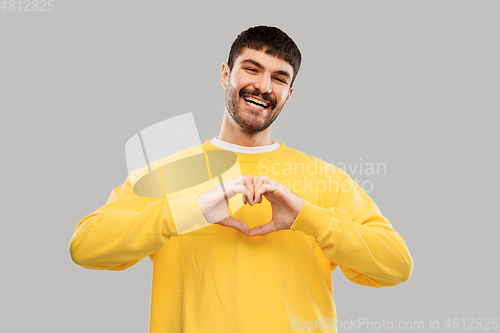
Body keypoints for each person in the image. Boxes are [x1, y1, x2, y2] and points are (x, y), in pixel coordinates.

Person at [70, 25, 413, 333]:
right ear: (225, 74)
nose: (263, 86)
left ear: (290, 94)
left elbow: (396, 266)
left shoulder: (325, 179)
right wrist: (189, 211)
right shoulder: (165, 174)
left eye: (279, 78)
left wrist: (308, 217)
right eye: (252, 69)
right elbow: (85, 247)